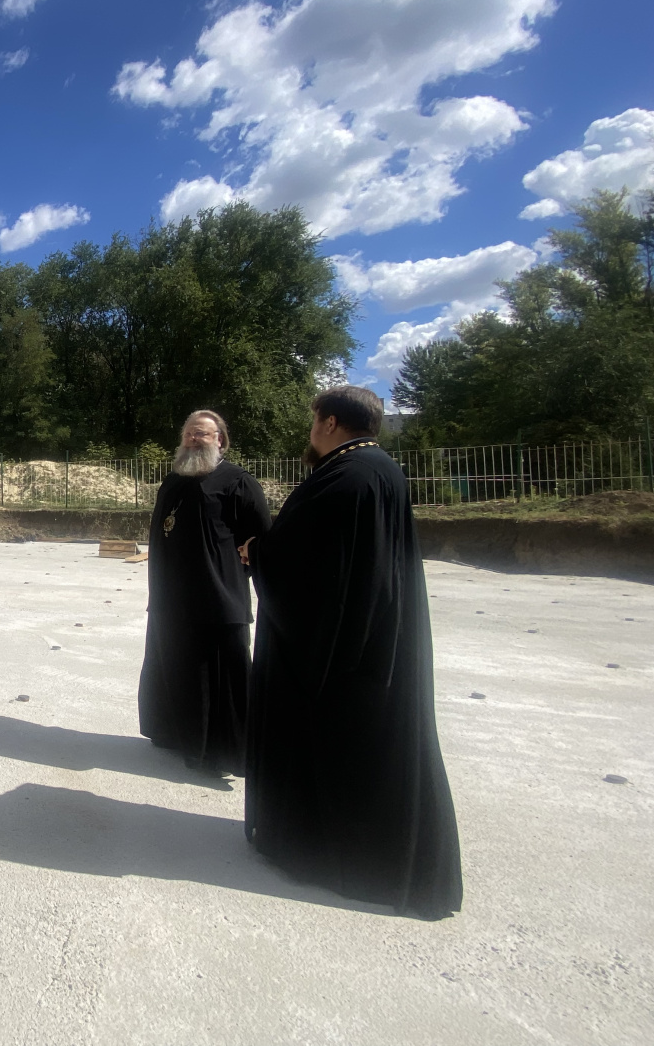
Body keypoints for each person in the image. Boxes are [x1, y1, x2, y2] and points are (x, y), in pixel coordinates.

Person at [244, 386, 463, 919]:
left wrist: (258, 552)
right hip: (372, 635)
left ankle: (328, 853)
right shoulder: (379, 469)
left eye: (313, 419)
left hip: (337, 649)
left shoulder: (344, 477)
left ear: (329, 423)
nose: (310, 430)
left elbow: (307, 564)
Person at [138, 410, 271, 775]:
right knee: (175, 668)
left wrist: (239, 572)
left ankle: (222, 753)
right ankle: (175, 736)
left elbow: (261, 540)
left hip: (217, 599)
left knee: (217, 679)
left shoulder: (238, 481)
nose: (193, 439)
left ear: (220, 440)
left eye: (202, 434)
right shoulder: (173, 481)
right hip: (170, 599)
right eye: (189, 433)